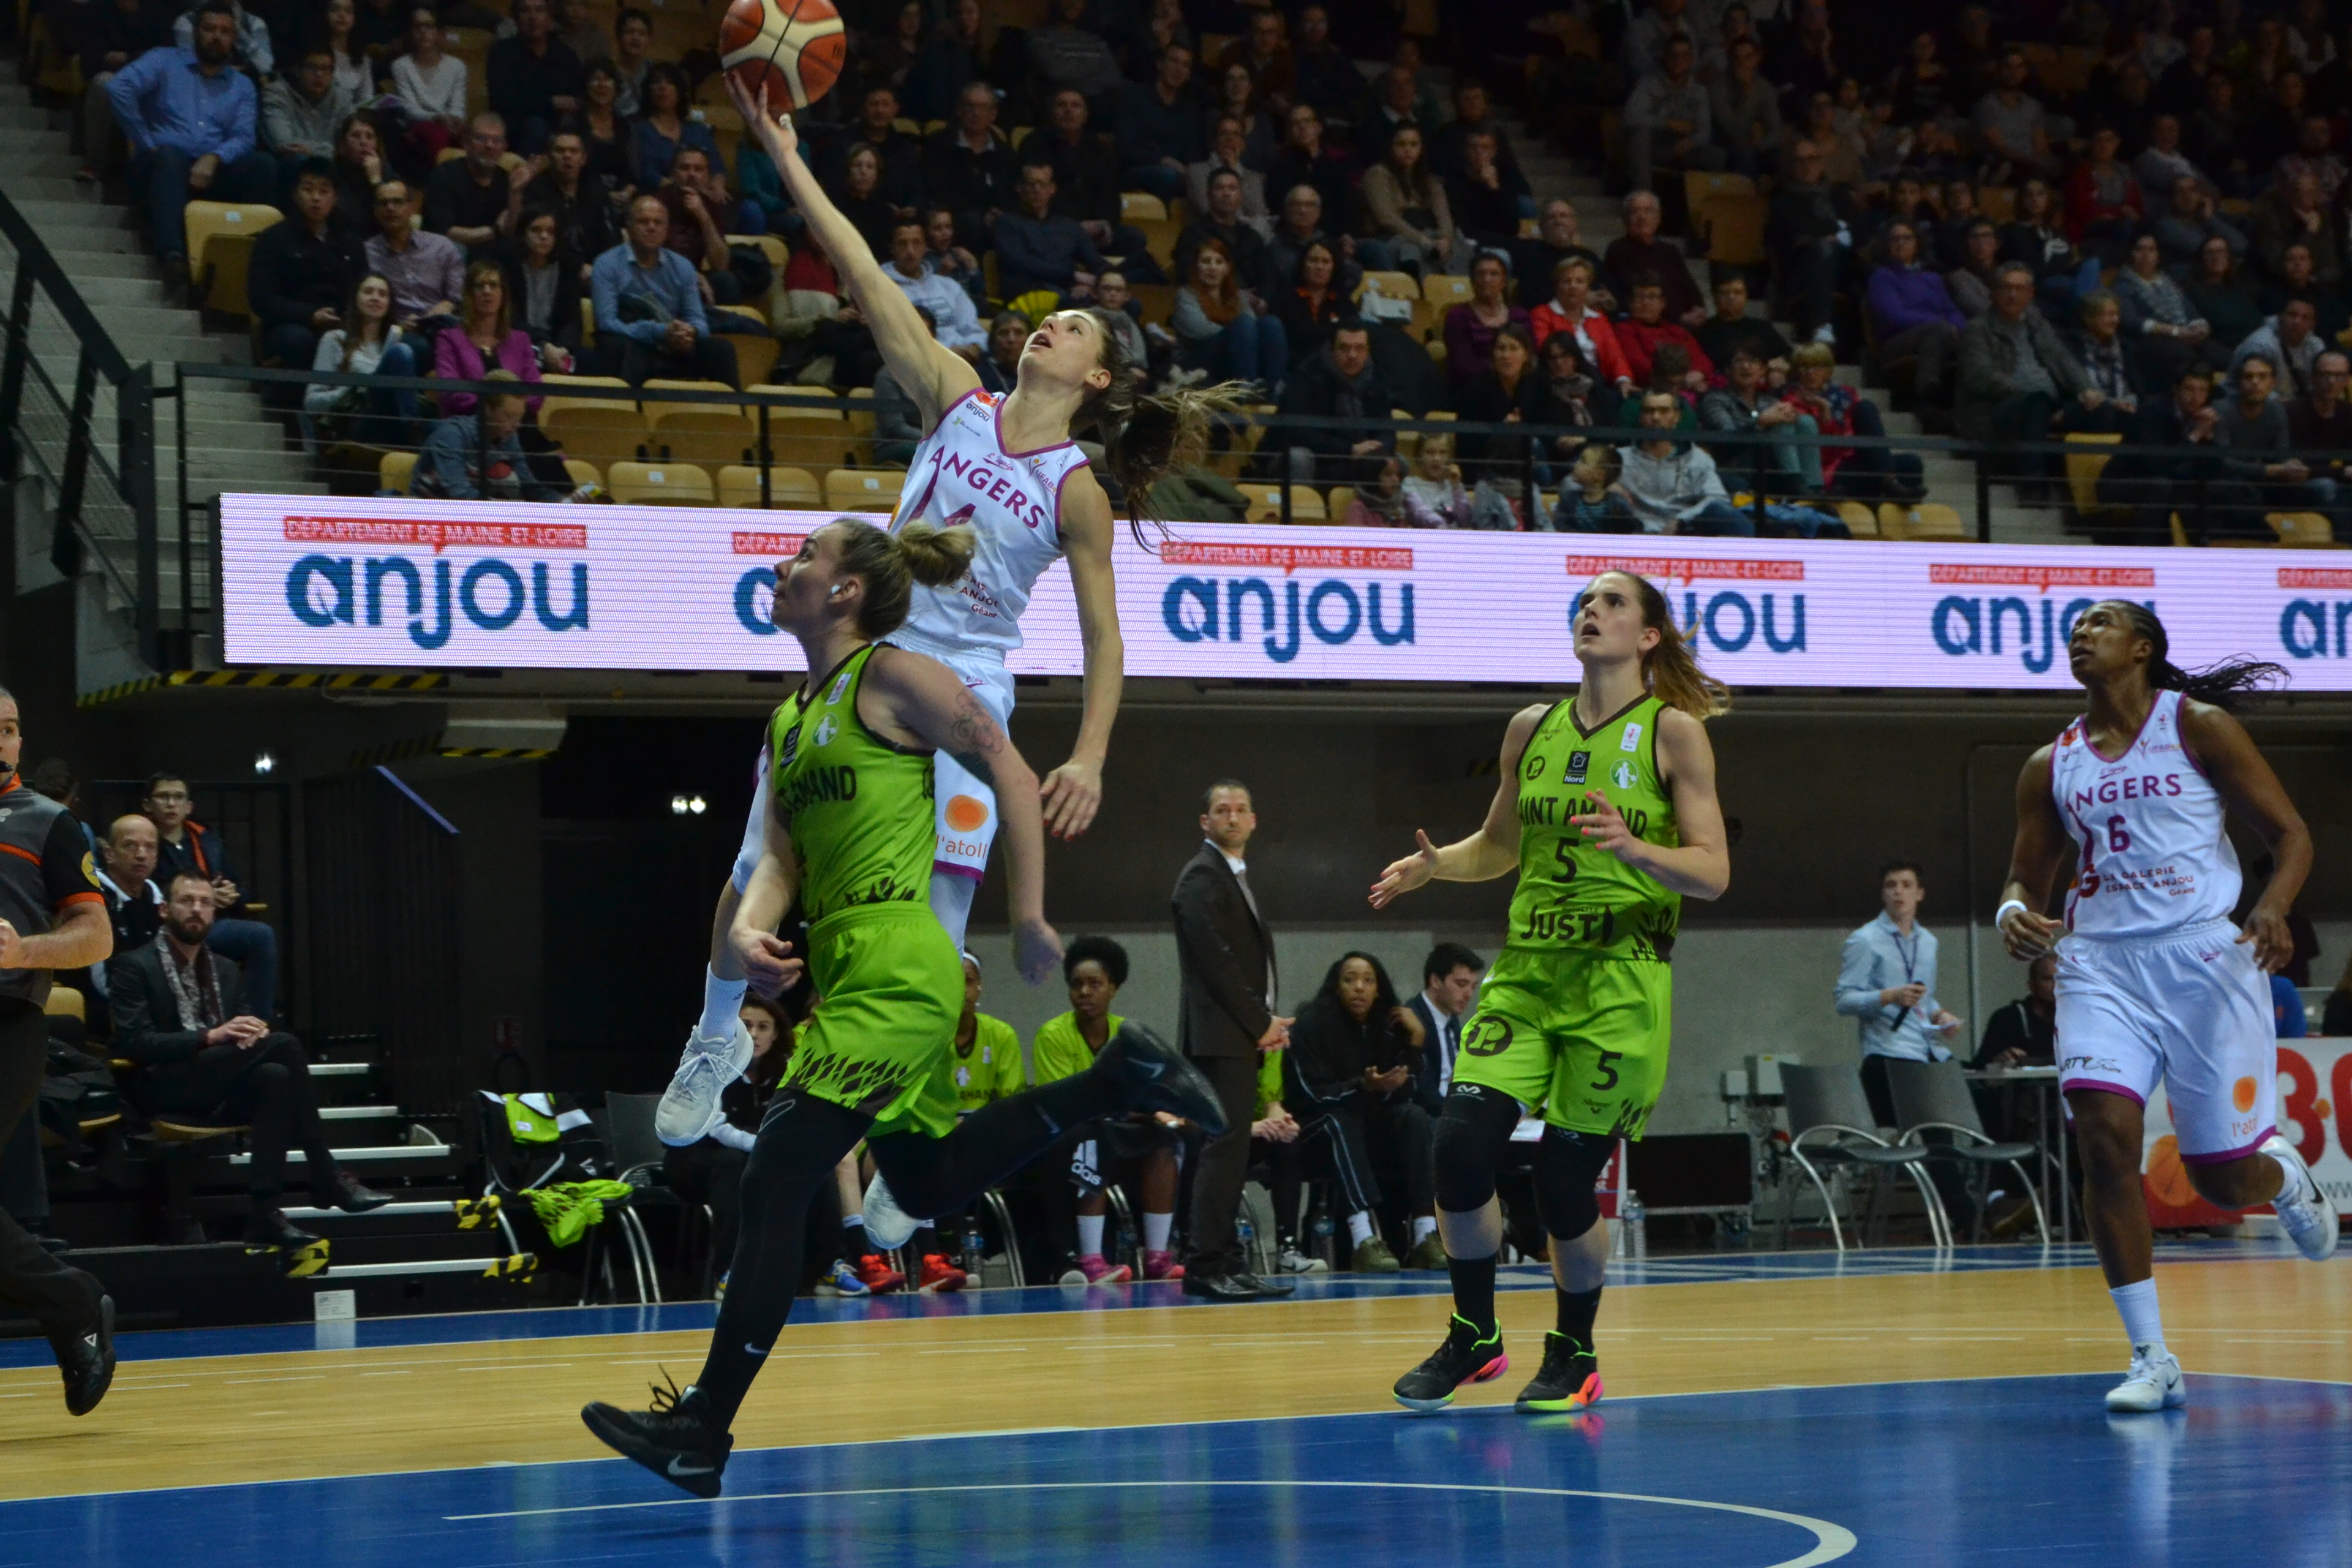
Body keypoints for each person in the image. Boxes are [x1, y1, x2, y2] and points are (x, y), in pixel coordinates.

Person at [652, 80, 1245, 1231]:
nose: (1049, 326)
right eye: (1047, 319)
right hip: (866, 658)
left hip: (968, 686)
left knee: (929, 941)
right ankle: (713, 1040)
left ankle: (909, 1155)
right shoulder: (956, 398)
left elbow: (1107, 636)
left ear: (1098, 377)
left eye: (1074, 328)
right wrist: (785, 152)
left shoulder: (1075, 489)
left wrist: (1090, 755)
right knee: (761, 861)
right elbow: (862, 271)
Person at [581, 518, 1227, 1499]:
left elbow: (1012, 772)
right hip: (845, 966)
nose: (784, 565)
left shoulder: (893, 676)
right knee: (924, 1181)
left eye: (807, 556)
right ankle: (1118, 1078)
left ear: (846, 592)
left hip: (901, 959)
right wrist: (748, 935)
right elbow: (777, 860)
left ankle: (703, 1427)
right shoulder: (790, 719)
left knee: (776, 1178)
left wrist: (1028, 915)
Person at [1374, 569, 1731, 1414]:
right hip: (1529, 974)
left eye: (1613, 602)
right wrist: (1438, 865)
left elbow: (1713, 872)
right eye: (1585, 601)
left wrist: (1635, 849)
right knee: (1459, 1150)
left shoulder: (1673, 733)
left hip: (1620, 981)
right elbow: (1499, 845)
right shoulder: (1531, 727)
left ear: (1648, 635)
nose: (1591, 610)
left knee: (1564, 1184)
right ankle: (1475, 1334)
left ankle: (1574, 1352)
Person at [1994, 601, 2334, 1414]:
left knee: (2223, 1180)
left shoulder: (2198, 726)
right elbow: (2025, 878)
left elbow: (2291, 835)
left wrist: (2274, 906)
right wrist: (2012, 912)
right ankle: (2152, 1356)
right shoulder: (2050, 763)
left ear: (2142, 647)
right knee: (2105, 1144)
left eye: (2100, 623)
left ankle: (2282, 1176)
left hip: (2203, 958)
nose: (2081, 633)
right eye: (2075, 626)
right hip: (2100, 967)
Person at [113, 868, 393, 1259]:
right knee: (286, 1045)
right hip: (161, 1085)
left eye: (205, 902)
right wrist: (211, 1036)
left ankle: (265, 1210)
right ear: (164, 910)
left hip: (217, 1082)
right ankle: (326, 1174)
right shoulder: (134, 965)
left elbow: (243, 1027)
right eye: (186, 901)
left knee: (274, 1076)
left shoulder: (226, 970)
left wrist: (250, 1034)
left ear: (215, 913)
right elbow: (134, 1043)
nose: (196, 910)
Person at [0, 688, 116, 1416]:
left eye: (10, 729)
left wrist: (24, 950)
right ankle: (73, 1302)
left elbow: (96, 937)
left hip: (7, 1021)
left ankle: (72, 1303)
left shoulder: (47, 821)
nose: (2, 741)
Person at [1170, 781, 1293, 1302]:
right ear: (1206, 822)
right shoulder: (1202, 876)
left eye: (1242, 810)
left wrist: (1262, 1020)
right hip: (1220, 1036)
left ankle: (1225, 1259)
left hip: (1233, 1033)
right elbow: (1216, 963)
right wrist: (1258, 1021)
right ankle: (1205, 1263)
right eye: (1222, 810)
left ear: (1255, 821)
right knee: (1223, 1150)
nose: (1233, 818)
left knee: (1231, 1149)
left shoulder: (1232, 875)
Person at [1030, 936, 1181, 1284]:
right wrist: (1132, 1108)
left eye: (1095, 984)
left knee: (1164, 1139)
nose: (1084, 992)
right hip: (1068, 1136)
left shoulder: (1128, 1036)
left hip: (1118, 1127)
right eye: (1077, 985)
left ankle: (1158, 1256)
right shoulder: (1053, 1035)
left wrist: (1157, 1114)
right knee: (1091, 1137)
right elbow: (1066, 1103)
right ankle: (1092, 1258)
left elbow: (1146, 1094)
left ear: (1113, 988)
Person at [1284, 952, 1439, 1272]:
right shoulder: (1310, 1024)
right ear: (1336, 986)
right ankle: (1363, 1239)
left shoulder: (1388, 1027)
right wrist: (1363, 1087)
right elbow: (1313, 1095)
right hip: (1316, 1132)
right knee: (1341, 1121)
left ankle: (1427, 1235)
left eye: (1368, 981)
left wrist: (1416, 1042)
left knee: (1414, 1118)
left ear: (1378, 990)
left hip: (1369, 1132)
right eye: (1350, 980)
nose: (1359, 988)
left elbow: (1408, 1092)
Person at [108, 2, 277, 291]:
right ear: (196, 32)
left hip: (212, 169)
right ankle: (171, 256)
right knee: (170, 156)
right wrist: (145, 141)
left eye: (225, 32)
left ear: (234, 39)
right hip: (160, 164)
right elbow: (119, 88)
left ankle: (246, 255)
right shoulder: (164, 60)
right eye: (210, 29)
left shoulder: (242, 85)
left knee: (265, 166)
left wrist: (215, 157)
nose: (217, 37)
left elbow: (244, 136)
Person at [1834, 862, 1965, 1128]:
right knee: (1923, 1135)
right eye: (1891, 886)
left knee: (1961, 1119)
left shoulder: (1928, 942)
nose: (1898, 892)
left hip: (1927, 1051)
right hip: (1888, 1053)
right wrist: (1890, 996)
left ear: (1920, 893)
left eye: (1907, 885)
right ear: (1883, 894)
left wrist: (1939, 1015)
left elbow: (1924, 998)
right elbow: (1843, 1000)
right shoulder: (1865, 940)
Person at [589, 197, 741, 388]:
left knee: (721, 349)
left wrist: (689, 332)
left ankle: (735, 406)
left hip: (674, 345)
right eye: (643, 222)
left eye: (658, 222)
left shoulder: (683, 266)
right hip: (633, 341)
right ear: (628, 228)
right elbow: (606, 323)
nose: (651, 228)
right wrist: (658, 332)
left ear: (667, 229)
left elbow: (698, 320)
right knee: (618, 348)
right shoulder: (606, 264)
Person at [247, 157, 366, 370]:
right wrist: (310, 315)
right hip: (291, 325)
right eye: (308, 189)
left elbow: (360, 288)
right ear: (295, 195)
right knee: (296, 341)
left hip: (342, 323)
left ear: (335, 197)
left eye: (324, 191)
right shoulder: (273, 238)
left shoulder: (351, 241)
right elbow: (262, 299)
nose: (316, 198)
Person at [304, 272, 420, 447]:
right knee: (401, 352)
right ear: (356, 299)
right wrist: (354, 390)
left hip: (394, 421)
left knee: (444, 428)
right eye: (368, 292)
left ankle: (413, 428)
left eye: (382, 294)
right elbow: (311, 403)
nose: (375, 298)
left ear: (389, 304)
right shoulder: (335, 339)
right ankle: (413, 431)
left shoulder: (394, 342)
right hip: (357, 423)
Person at [1616, 390, 1754, 535]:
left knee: (1724, 512)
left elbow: (1717, 497)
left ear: (1676, 417)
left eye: (1664, 411)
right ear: (1641, 417)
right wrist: (1608, 485)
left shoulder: (1697, 458)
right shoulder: (1619, 458)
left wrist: (1681, 520)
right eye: (1649, 411)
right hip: (1635, 532)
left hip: (1686, 529)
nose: (1656, 417)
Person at [411, 372, 564, 500]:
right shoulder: (451, 435)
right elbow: (460, 494)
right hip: (430, 515)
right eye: (510, 416)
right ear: (487, 410)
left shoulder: (509, 438)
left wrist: (565, 503)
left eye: (520, 418)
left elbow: (530, 487)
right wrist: (508, 512)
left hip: (474, 515)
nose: (517, 425)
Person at [1276, 320, 1393, 485]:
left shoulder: (1377, 379)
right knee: (1299, 458)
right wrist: (1349, 450)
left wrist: (1378, 448)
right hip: (1316, 457)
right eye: (1345, 348)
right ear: (1332, 349)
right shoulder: (1307, 376)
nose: (1352, 355)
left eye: (1359, 348)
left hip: (1357, 458)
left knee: (1397, 462)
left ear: (1368, 351)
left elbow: (1387, 428)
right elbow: (1298, 433)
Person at [1864, 222, 1964, 411]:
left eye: (1907, 238)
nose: (1901, 243)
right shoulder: (1882, 277)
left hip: (1939, 332)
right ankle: (1926, 392)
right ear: (1887, 245)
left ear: (1917, 243)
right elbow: (1895, 317)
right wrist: (1938, 321)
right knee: (1938, 331)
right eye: (1895, 239)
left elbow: (1953, 311)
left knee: (1974, 333)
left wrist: (1957, 327)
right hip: (1896, 341)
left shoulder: (1932, 278)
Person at [1170, 238, 1284, 390]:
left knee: (1271, 323)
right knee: (1243, 324)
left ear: (1227, 268)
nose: (1213, 268)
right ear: (1196, 267)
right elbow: (1200, 331)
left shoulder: (1239, 296)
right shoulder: (1185, 295)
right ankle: (1245, 388)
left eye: (1219, 262)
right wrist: (1237, 333)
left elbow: (1253, 329)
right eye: (1206, 262)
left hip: (1232, 354)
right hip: (1196, 360)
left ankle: (1273, 388)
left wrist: (1241, 334)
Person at [924, 81, 1017, 254]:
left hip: (997, 220)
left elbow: (1011, 192)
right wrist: (983, 213)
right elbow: (938, 191)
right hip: (957, 219)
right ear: (960, 110)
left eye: (983, 108)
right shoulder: (939, 145)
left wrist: (998, 212)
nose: (976, 113)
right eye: (970, 107)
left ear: (993, 114)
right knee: (972, 222)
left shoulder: (1004, 152)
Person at [995, 162, 1108, 304]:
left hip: (1068, 290)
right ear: (1019, 188)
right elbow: (1023, 264)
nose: (1037, 190)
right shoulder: (1006, 224)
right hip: (1030, 292)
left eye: (1042, 184)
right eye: (1031, 184)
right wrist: (1072, 276)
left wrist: (1094, 284)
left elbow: (1097, 262)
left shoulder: (1069, 226)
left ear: (1052, 189)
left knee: (1123, 301)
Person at [1624, 35, 1722, 197]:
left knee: (1716, 156)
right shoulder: (1649, 84)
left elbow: (1704, 131)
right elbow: (1631, 117)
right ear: (1666, 58)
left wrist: (1691, 142)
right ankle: (1644, 197)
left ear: (1691, 60)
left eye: (1684, 55)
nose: (1678, 60)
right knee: (1639, 136)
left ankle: (1706, 203)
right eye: (1673, 55)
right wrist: (1669, 123)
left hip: (1685, 148)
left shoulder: (1699, 92)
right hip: (1655, 147)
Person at [364, 178, 467, 330]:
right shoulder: (368, 252)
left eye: (398, 202)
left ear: (412, 207)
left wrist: (449, 305)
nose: (390, 208)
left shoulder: (440, 246)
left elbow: (460, 293)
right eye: (383, 203)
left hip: (443, 324)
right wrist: (396, 325)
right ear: (375, 211)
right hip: (398, 330)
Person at [486, 0, 582, 156]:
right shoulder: (502, 52)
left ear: (550, 17)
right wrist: (551, 103)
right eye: (526, 11)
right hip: (516, 128)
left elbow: (577, 97)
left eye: (539, 10)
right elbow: (504, 101)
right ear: (516, 19)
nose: (533, 17)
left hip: (561, 127)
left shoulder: (566, 55)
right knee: (536, 125)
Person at [1115, 43, 1206, 203]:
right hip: (1137, 170)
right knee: (1168, 175)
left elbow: (1193, 153)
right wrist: (1162, 160)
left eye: (1185, 65)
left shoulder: (1190, 109)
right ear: (1160, 64)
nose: (1179, 69)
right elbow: (1126, 148)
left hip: (1178, 173)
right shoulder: (1134, 98)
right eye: (1174, 61)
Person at [1359, 124, 1452, 278]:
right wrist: (1422, 240)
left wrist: (1445, 239)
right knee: (1411, 251)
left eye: (1414, 144)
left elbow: (1444, 216)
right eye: (1401, 144)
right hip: (1390, 237)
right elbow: (1386, 218)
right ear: (1391, 147)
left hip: (1429, 237)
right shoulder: (1377, 175)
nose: (1408, 150)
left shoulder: (1431, 182)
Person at [1605, 191, 1707, 330]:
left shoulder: (1670, 251)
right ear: (1625, 219)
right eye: (1635, 212)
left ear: (1658, 218)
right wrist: (1679, 318)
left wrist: (1697, 309)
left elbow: (1691, 290)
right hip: (1647, 326)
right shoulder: (1618, 250)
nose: (1642, 217)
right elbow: (1631, 297)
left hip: (1681, 325)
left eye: (1648, 211)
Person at [1530, 258, 1632, 398]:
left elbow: (1614, 355)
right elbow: (1547, 352)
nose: (1573, 286)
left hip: (1598, 384)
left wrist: (1623, 381)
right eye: (1567, 281)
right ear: (1557, 286)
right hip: (1559, 384)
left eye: (1579, 281)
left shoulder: (1598, 318)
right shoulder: (1542, 314)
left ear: (1588, 287)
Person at [261, 45, 357, 192]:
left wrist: (315, 151)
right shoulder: (276, 93)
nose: (319, 74)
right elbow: (284, 143)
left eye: (326, 69)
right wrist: (333, 151)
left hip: (334, 166)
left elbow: (350, 143)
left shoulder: (342, 97)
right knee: (298, 160)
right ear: (297, 70)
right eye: (312, 68)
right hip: (293, 168)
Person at [1405, 944, 1483, 1120]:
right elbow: (1423, 1093)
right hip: (1428, 1117)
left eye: (1473, 986)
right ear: (1435, 981)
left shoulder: (1451, 1017)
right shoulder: (1411, 1020)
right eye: (1461, 984)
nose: (1469, 994)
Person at [423, 113, 514, 255]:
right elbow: (444, 231)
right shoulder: (444, 175)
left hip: (493, 256)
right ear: (466, 143)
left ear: (504, 147)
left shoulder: (507, 179)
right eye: (481, 139)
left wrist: (517, 193)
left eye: (496, 141)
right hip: (450, 253)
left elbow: (511, 230)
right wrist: (493, 231)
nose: (489, 146)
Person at [390, 6, 467, 166]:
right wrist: (437, 118)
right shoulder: (401, 66)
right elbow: (410, 108)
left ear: (439, 32)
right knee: (438, 134)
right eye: (418, 27)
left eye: (429, 26)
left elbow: (458, 106)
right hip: (417, 124)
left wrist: (454, 120)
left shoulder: (457, 66)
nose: (423, 32)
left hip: (449, 123)